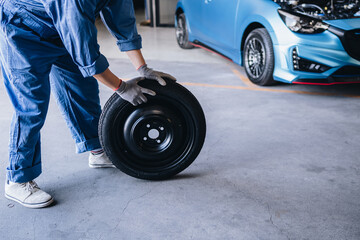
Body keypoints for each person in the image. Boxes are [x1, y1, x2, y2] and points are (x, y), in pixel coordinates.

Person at [0, 0, 175, 209]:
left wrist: (143, 68)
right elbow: (86, 56)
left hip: (60, 28)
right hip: (22, 30)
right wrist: (121, 87)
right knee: (31, 107)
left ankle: (97, 150)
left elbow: (123, 21)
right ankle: (17, 178)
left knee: (83, 91)